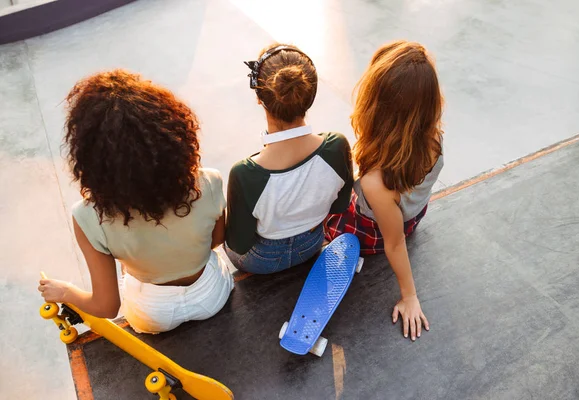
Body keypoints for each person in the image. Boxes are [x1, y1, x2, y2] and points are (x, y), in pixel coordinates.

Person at [38, 70, 234, 334]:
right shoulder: (208, 181)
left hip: (152, 314)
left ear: (90, 158)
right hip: (212, 295)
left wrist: (66, 291)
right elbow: (215, 241)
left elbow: (107, 308)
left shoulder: (87, 217)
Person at [325, 41, 444, 341]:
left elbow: (394, 243)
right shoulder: (435, 138)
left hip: (374, 233)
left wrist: (410, 296)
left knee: (322, 209)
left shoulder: (375, 182)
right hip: (413, 215)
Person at [225, 44, 353, 274]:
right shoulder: (337, 146)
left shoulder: (245, 173)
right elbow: (340, 205)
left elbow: (238, 244)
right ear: (309, 96)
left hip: (260, 261)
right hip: (312, 245)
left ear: (258, 97)